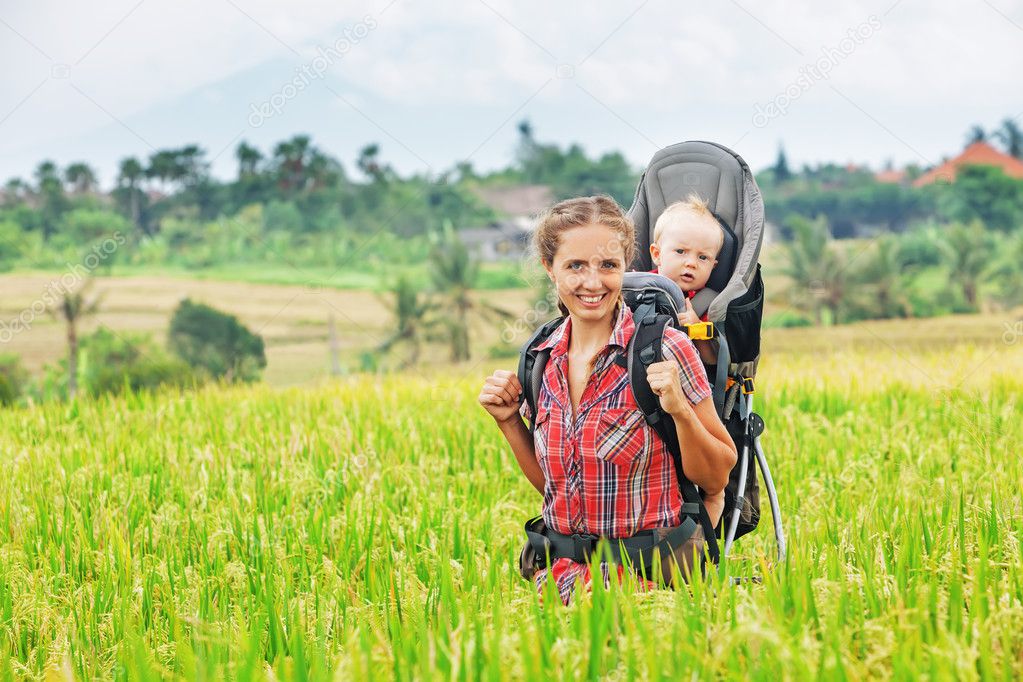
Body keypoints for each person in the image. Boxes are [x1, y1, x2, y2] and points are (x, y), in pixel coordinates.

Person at [478, 195, 737, 605]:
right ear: (550, 268)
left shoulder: (666, 349)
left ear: (627, 266)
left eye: (608, 266)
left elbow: (717, 477)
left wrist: (680, 410)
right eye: (575, 266)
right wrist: (509, 422)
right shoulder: (539, 358)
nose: (593, 283)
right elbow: (555, 488)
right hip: (559, 584)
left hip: (649, 586)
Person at [649, 195, 725, 365]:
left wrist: (696, 326)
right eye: (681, 251)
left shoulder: (708, 304)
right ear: (657, 254)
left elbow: (712, 360)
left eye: (703, 257)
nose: (691, 263)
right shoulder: (639, 287)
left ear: (713, 266)